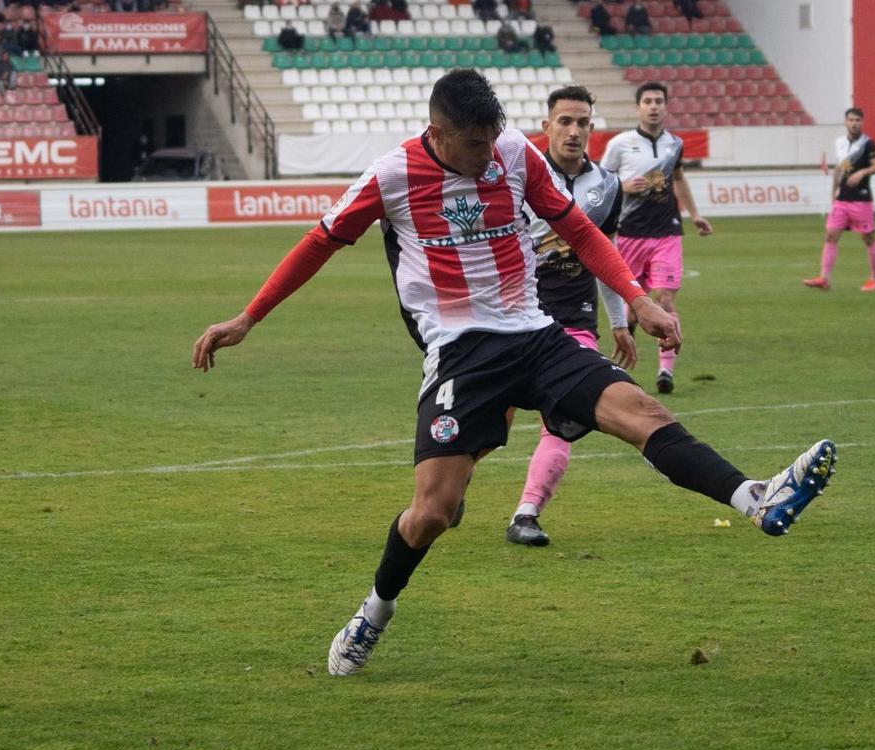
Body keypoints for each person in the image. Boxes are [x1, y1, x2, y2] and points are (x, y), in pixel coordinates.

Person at [190, 69, 839, 676]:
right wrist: (249, 317)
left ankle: (755, 498)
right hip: (460, 353)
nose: (487, 154)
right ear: (439, 134)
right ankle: (374, 611)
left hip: (534, 334)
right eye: (475, 144)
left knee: (642, 413)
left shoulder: (516, 155)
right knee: (434, 511)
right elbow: (318, 243)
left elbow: (576, 227)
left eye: (493, 137)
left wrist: (635, 296)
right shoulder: (392, 175)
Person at [506, 85, 638, 547]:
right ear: (546, 127)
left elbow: (606, 255)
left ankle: (527, 511)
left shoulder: (608, 186)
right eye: (565, 121)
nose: (575, 131)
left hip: (574, 318)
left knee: (563, 417)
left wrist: (619, 320)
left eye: (583, 122)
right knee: (488, 420)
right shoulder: (518, 178)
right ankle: (453, 484)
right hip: (511, 317)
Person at [601, 81, 711, 396]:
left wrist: (694, 214)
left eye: (658, 101)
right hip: (630, 232)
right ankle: (623, 354)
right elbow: (600, 181)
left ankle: (665, 371)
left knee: (663, 297)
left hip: (667, 231)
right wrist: (624, 187)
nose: (653, 106)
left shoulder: (674, 144)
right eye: (647, 101)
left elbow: (677, 179)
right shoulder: (620, 143)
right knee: (634, 306)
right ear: (638, 108)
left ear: (666, 106)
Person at [803, 107, 875, 292]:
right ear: (846, 122)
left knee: (869, 238)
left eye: (858, 120)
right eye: (851, 120)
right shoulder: (839, 143)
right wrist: (833, 192)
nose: (854, 123)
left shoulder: (868, 144)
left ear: (862, 122)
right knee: (830, 235)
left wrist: (863, 171)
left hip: (861, 199)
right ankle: (824, 278)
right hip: (842, 199)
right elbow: (839, 169)